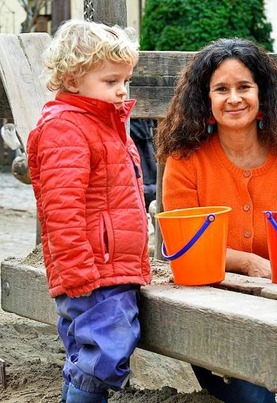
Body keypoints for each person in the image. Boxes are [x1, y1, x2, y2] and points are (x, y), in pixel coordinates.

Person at [155, 38, 277, 402]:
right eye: (221, 89)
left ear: (263, 94)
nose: (234, 98)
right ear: (206, 99)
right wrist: (248, 262)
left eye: (244, 87)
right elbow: (187, 247)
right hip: (215, 308)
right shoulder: (185, 160)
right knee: (254, 396)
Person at [27, 20, 151, 402]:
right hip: (93, 271)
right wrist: (78, 272)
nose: (121, 90)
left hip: (110, 267)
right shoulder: (66, 128)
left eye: (124, 81)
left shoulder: (103, 124)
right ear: (73, 78)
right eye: (110, 81)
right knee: (104, 356)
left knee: (94, 355)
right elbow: (61, 209)